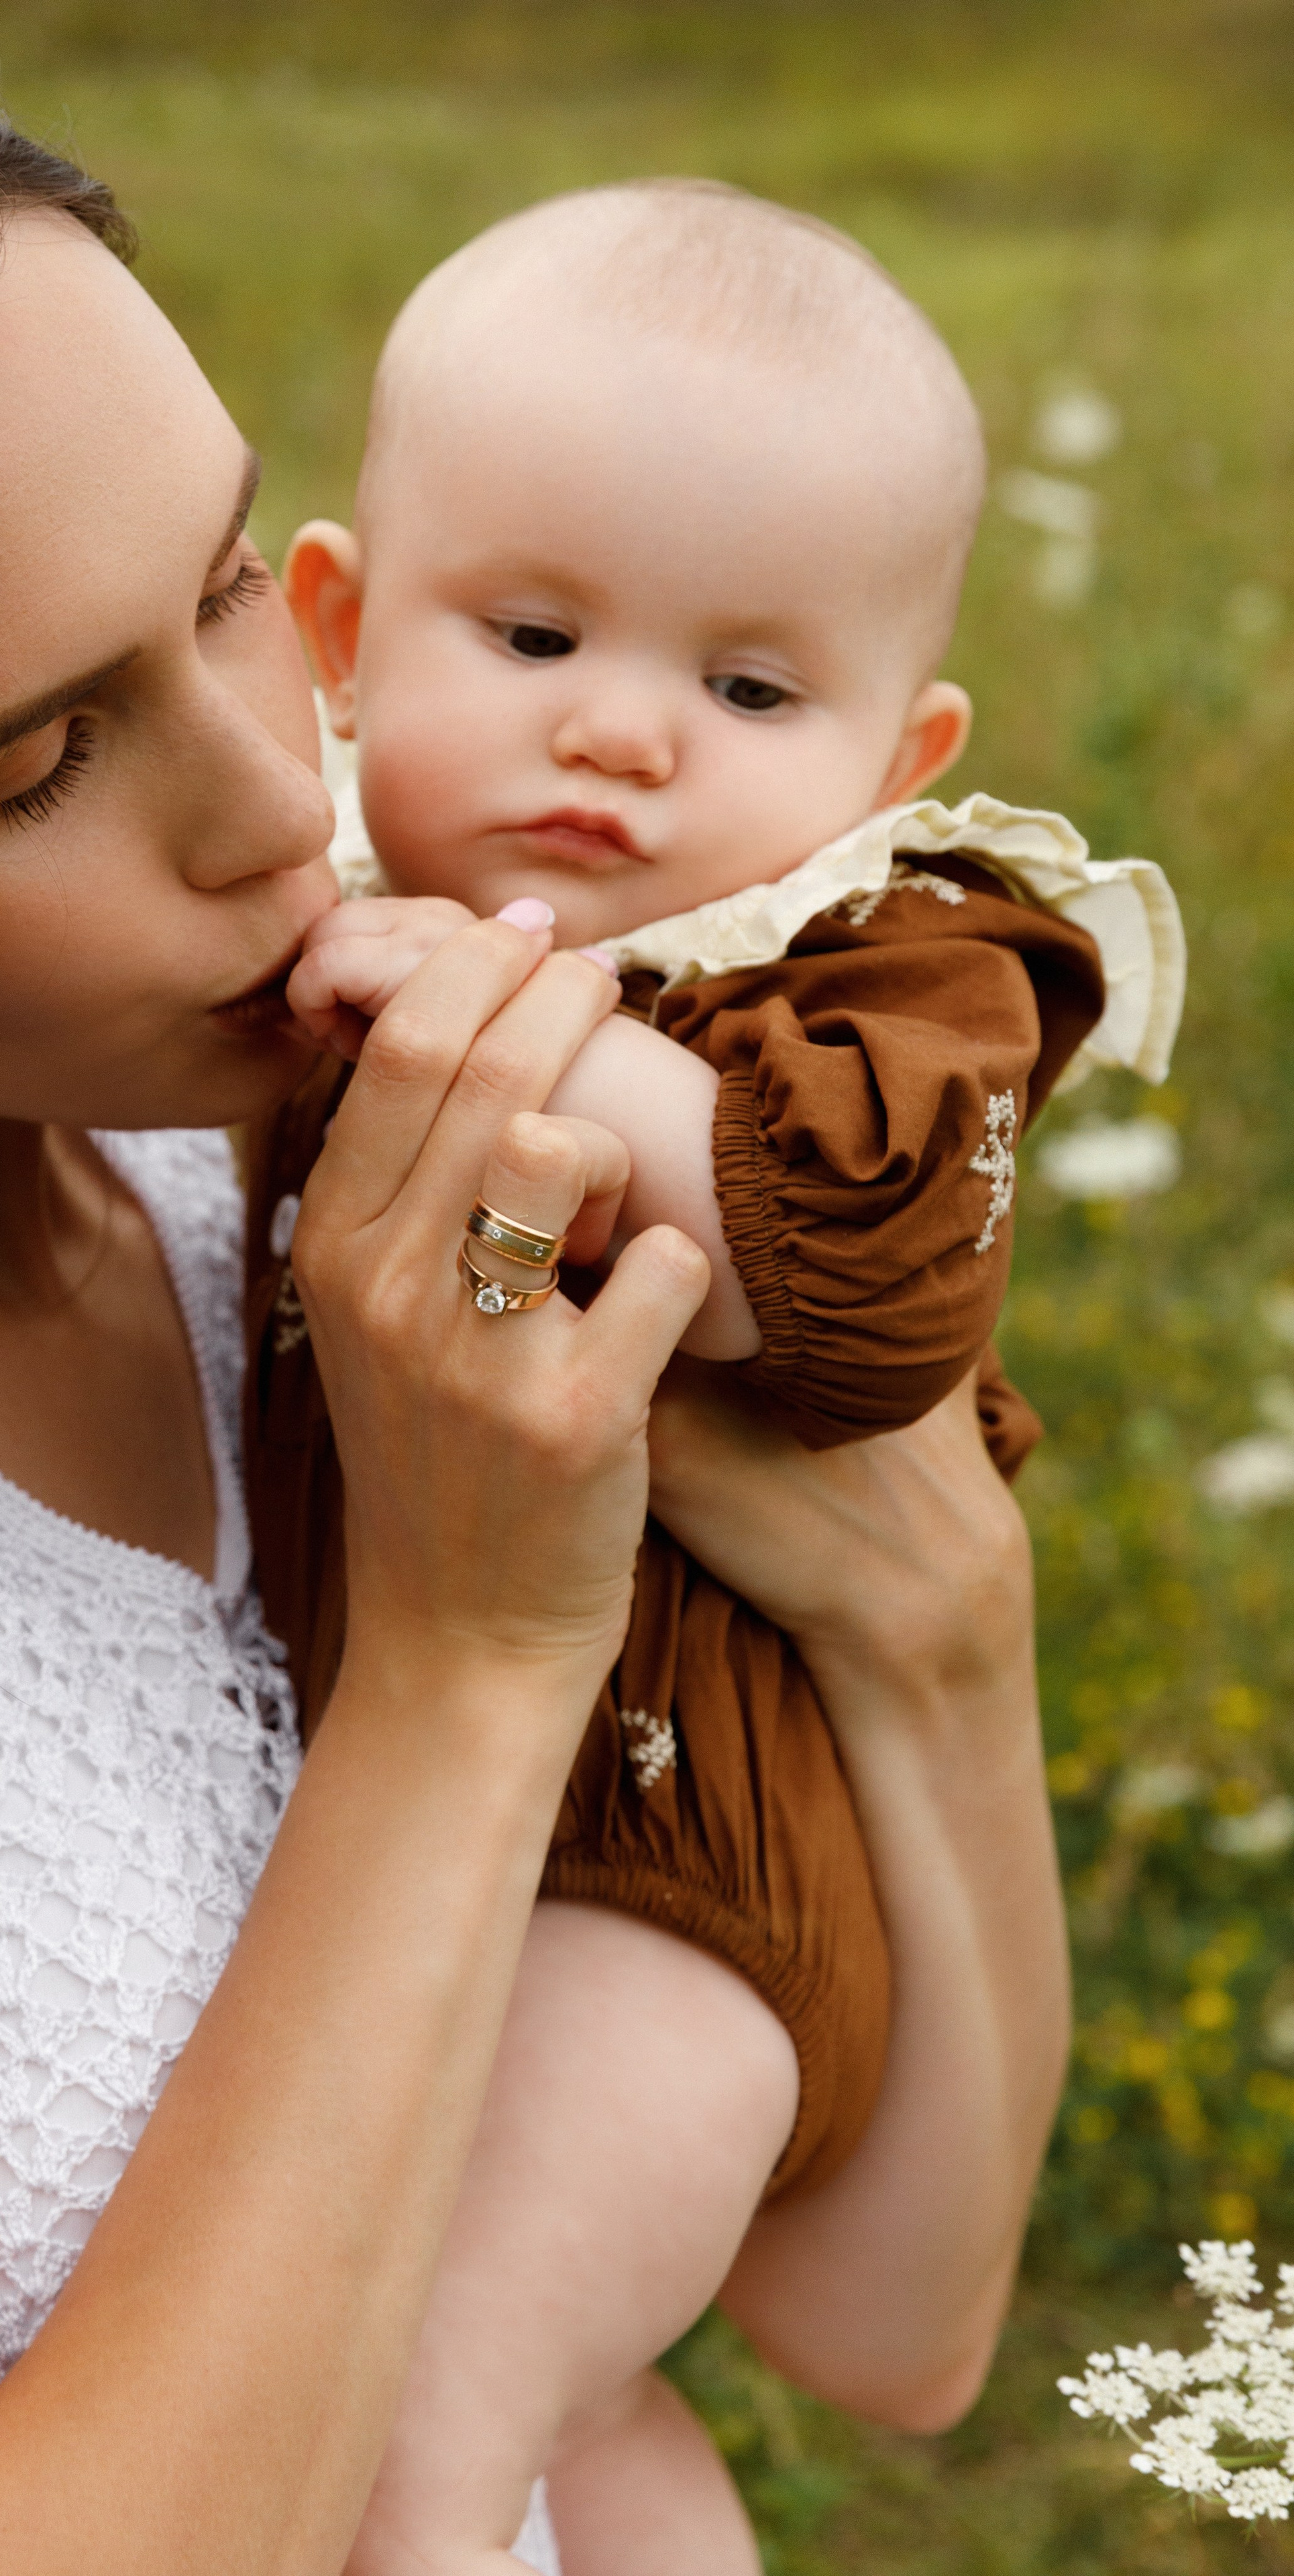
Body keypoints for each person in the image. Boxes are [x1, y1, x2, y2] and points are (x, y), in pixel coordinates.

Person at [0, 30, 1065, 2576]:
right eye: (35, 765)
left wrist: (945, 1632)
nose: (290, 798)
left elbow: (896, 2326)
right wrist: (476, 1672)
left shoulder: (334, 1138)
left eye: (228, 585)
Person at [243, 182, 1183, 2571]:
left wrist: (495, 1022)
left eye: (758, 693)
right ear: (342, 628)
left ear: (900, 752)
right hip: (388, 1823)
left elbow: (852, 1283)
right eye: (536, 629)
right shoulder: (299, 881)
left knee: (421, 2406)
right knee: (590, 2440)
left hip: (682, 1892)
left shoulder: (895, 963)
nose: (629, 735)